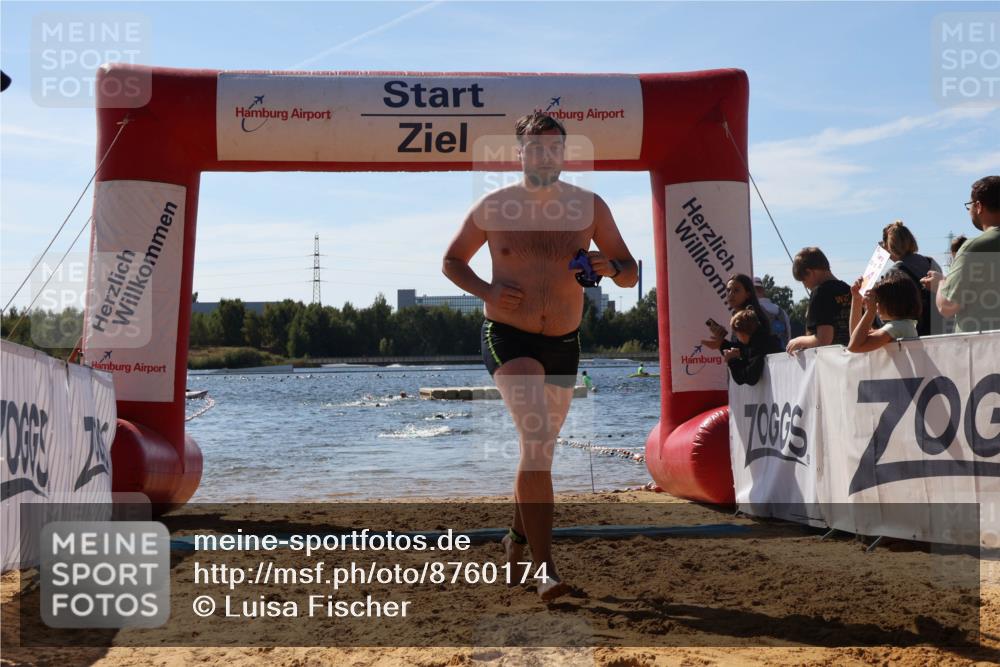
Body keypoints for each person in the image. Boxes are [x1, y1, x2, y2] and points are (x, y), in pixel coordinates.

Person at [441, 111, 638, 601]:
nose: (544, 155)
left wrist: (608, 266)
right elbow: (451, 261)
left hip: (564, 343)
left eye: (553, 147)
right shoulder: (496, 206)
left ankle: (515, 536)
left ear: (563, 153)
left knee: (539, 450)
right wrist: (486, 290)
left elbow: (631, 272)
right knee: (535, 435)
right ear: (520, 153)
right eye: (535, 147)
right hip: (508, 336)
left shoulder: (589, 207)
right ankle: (545, 568)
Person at [922, 176, 1000, 333]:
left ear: (978, 206)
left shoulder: (974, 247)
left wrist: (941, 284)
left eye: (970, 205)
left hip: (983, 349)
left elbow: (947, 306)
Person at [879, 220, 941, 336]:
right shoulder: (931, 263)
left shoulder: (893, 274)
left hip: (914, 338)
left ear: (888, 246)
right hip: (941, 332)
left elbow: (886, 317)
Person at [786, 247, 852, 353]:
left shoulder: (820, 293)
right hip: (855, 357)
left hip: (832, 361)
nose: (805, 286)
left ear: (809, 272)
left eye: (803, 280)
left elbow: (824, 339)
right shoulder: (850, 290)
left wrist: (799, 341)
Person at [847, 270, 922, 352]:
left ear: (891, 302)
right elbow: (856, 335)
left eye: (878, 300)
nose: (876, 304)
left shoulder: (897, 327)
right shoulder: (904, 325)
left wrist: (870, 311)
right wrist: (857, 299)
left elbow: (854, 347)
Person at [702, 274, 770, 351]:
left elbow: (749, 356)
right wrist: (721, 344)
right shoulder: (738, 316)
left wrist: (722, 345)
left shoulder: (752, 318)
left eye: (736, 290)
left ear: (748, 294)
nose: (730, 294)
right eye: (728, 290)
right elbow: (741, 350)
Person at [723, 308, 782, 385]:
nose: (737, 338)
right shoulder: (762, 340)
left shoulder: (759, 345)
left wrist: (732, 360)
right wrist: (740, 355)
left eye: (736, 333)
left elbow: (750, 378)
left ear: (741, 333)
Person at [753, 275, 791, 349]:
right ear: (763, 290)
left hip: (763, 357)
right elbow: (788, 336)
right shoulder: (782, 311)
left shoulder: (752, 311)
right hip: (782, 356)